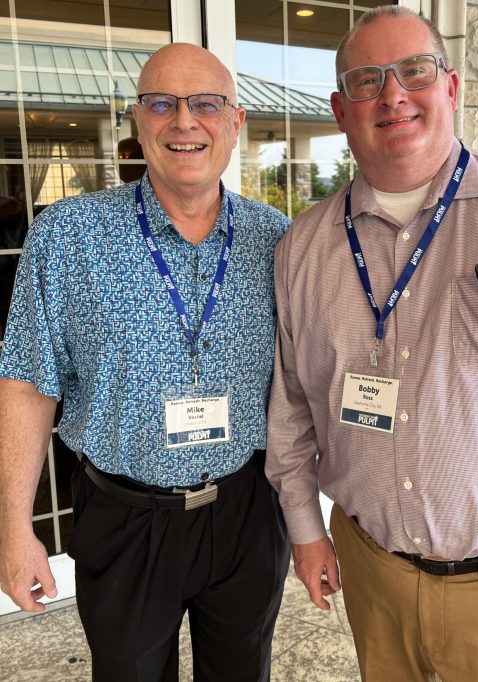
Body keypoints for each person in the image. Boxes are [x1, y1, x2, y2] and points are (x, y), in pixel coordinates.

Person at [266, 6, 478, 682]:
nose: (393, 96)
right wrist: (306, 526)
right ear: (339, 108)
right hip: (374, 577)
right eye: (367, 81)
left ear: (449, 88)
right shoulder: (302, 246)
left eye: (414, 71)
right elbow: (293, 405)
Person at [0, 43, 290, 682]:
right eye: (162, 103)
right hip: (126, 518)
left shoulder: (276, 239)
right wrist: (13, 527)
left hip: (245, 511)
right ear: (138, 121)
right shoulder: (68, 236)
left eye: (206, 105)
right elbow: (25, 383)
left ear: (235, 124)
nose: (184, 122)